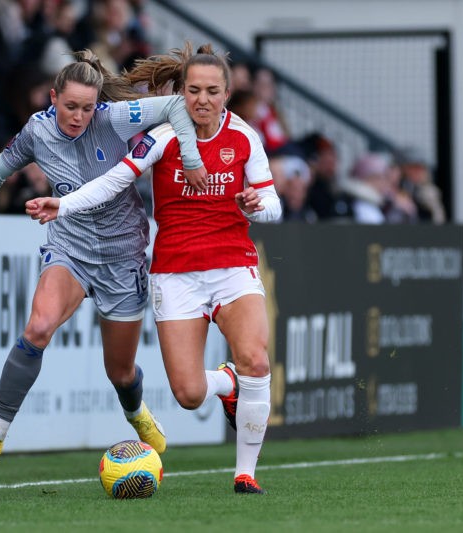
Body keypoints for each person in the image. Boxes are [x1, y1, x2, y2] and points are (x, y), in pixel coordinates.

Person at [27, 43, 281, 494]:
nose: (201, 100)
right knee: (187, 394)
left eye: (212, 91)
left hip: (232, 266)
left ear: (227, 94)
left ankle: (246, 473)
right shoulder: (161, 137)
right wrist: (62, 204)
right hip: (175, 273)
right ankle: (226, 383)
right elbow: (114, 180)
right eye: (193, 90)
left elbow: (273, 205)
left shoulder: (244, 137)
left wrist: (257, 205)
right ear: (180, 92)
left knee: (256, 359)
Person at [0, 50, 208, 462]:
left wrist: (192, 158)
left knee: (119, 373)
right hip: (70, 249)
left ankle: (135, 411)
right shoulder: (37, 131)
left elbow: (178, 104)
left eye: (87, 108)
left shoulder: (114, 118)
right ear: (52, 98)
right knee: (38, 327)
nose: (79, 116)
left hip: (122, 257)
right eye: (70, 106)